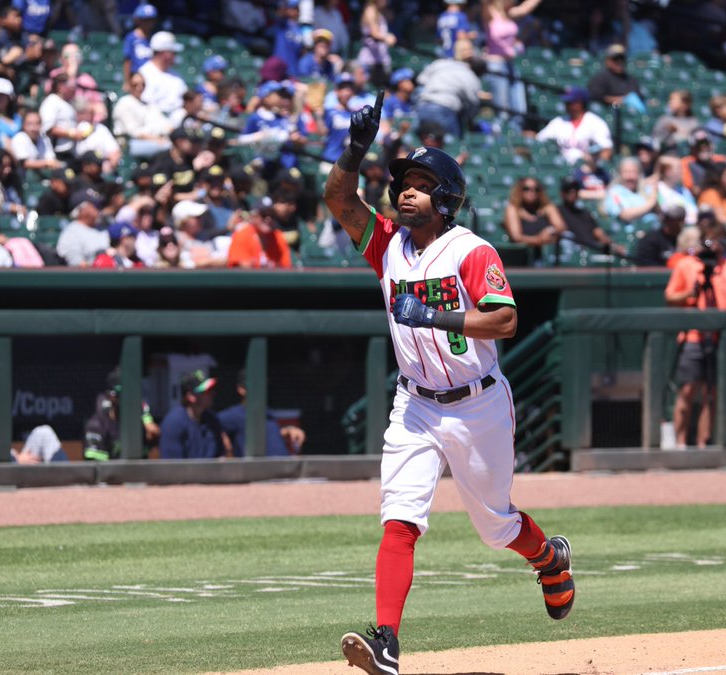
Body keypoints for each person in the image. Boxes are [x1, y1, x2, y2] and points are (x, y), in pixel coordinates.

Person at [323, 92, 573, 675]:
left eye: (419, 182)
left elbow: (506, 320)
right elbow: (338, 198)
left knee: (495, 527)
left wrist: (436, 316)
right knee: (400, 517)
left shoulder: (471, 250)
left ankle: (548, 557)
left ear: (446, 196)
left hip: (477, 404)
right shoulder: (388, 244)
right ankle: (385, 639)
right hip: (414, 405)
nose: (406, 189)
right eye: (402, 181)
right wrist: (356, 147)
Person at [663, 237, 726, 449]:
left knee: (712, 394)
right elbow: (670, 297)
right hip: (692, 337)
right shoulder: (686, 265)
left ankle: (704, 444)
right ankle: (679, 444)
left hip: (721, 339)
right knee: (688, 390)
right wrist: (690, 293)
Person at [217, 369, 306, 456]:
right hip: (258, 469)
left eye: (264, 384)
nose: (262, 389)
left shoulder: (266, 413)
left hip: (285, 468)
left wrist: (287, 431)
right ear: (242, 389)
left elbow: (268, 436)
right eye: (256, 385)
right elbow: (209, 426)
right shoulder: (234, 414)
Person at [83, 368, 161, 461]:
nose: (130, 400)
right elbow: (95, 466)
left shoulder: (140, 416)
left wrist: (150, 432)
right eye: (124, 395)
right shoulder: (97, 424)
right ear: (112, 397)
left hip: (139, 472)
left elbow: (153, 432)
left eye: (132, 395)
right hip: (112, 473)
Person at [158, 370, 231, 460]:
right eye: (206, 391)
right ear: (191, 396)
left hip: (212, 473)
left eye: (211, 390)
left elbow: (220, 455)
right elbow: (172, 467)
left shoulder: (212, 419)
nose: (212, 393)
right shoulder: (173, 423)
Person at [535, 86, 612, 165]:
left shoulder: (595, 123)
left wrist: (593, 164)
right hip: (562, 165)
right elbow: (539, 139)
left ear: (581, 103)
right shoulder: (558, 122)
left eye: (571, 102)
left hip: (585, 167)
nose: (568, 105)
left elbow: (606, 149)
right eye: (567, 102)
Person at [503, 176, 564, 265]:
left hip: (544, 256)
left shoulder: (546, 207)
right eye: (526, 189)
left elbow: (560, 226)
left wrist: (550, 230)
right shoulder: (513, 209)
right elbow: (516, 237)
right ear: (519, 191)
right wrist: (539, 240)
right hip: (521, 256)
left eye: (536, 189)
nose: (532, 192)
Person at [556, 177, 621, 257]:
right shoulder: (556, 212)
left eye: (575, 189)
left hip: (591, 251)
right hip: (573, 253)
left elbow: (599, 233)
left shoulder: (584, 212)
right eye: (568, 189)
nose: (572, 192)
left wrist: (614, 245)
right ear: (561, 193)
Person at [226, 196, 293, 269]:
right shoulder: (242, 235)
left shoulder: (278, 236)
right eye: (264, 214)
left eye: (272, 215)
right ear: (253, 216)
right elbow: (242, 272)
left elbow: (286, 268)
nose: (268, 219)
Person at [586, 44, 643, 109]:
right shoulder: (600, 78)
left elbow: (639, 96)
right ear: (607, 61)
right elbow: (594, 95)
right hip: (607, 112)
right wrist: (615, 100)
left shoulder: (630, 79)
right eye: (615, 59)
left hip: (628, 112)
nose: (619, 62)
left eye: (622, 59)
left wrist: (624, 100)